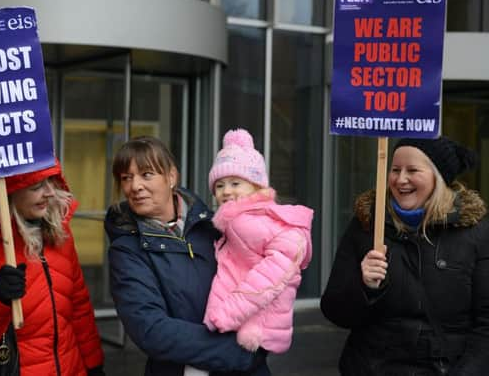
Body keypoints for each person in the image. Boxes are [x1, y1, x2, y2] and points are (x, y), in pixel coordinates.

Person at [320, 137, 489, 375]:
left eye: (412, 170)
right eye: (395, 169)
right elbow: (334, 310)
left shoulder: (475, 233)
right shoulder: (367, 225)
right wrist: (364, 287)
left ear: (437, 178)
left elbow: (485, 326)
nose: (400, 179)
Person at [104, 136, 270, 376]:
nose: (135, 186)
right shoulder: (127, 249)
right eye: (126, 178)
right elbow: (150, 329)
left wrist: (263, 335)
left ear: (171, 177)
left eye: (146, 174)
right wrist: (237, 352)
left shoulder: (216, 225)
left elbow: (263, 281)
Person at [0, 160, 106, 375]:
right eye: (36, 186)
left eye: (50, 181)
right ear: (8, 192)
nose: (48, 192)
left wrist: (93, 365)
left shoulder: (57, 232)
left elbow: (79, 308)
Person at [202, 128, 313, 355]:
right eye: (220, 185)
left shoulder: (255, 221)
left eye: (235, 183)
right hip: (240, 322)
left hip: (255, 326)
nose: (225, 191)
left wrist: (226, 314)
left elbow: (269, 278)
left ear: (256, 185)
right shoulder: (239, 219)